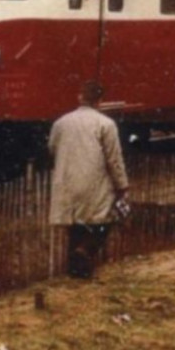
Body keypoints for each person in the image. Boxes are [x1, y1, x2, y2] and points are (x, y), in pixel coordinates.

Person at [48, 80, 129, 279]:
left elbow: (52, 148)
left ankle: (75, 269)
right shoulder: (106, 124)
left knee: (74, 223)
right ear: (100, 101)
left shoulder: (61, 122)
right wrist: (122, 185)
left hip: (67, 181)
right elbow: (114, 159)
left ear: (80, 97)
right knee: (104, 220)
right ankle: (83, 254)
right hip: (94, 182)